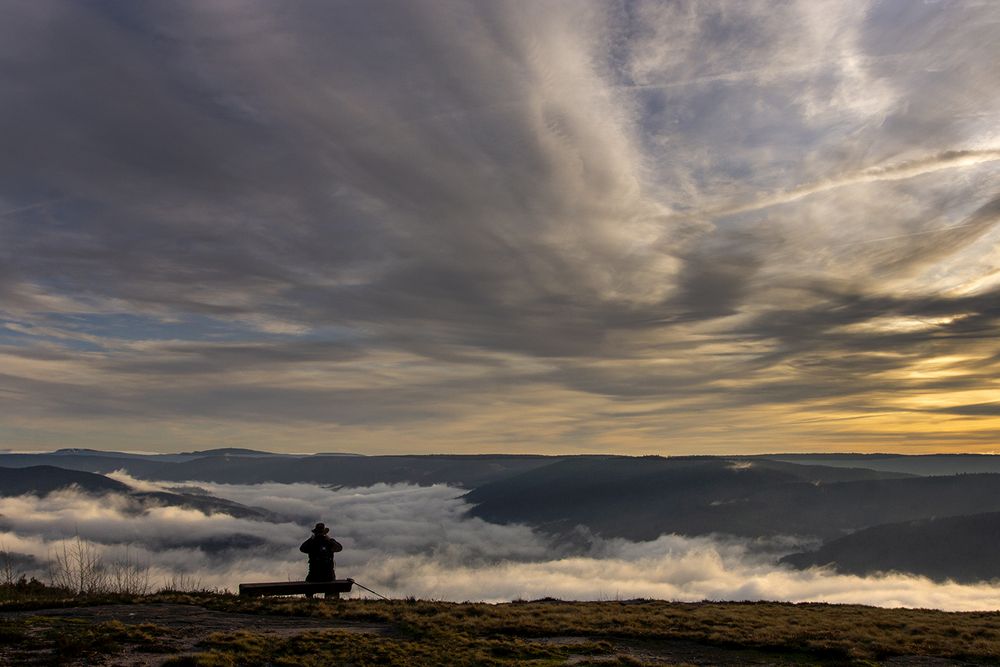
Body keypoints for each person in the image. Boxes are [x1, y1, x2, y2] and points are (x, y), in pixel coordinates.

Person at [299, 522, 343, 597]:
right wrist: (329, 539)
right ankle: (329, 598)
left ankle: (310, 600)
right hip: (328, 576)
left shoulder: (312, 543)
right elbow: (339, 548)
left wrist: (311, 538)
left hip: (314, 576)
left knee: (308, 583)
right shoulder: (329, 543)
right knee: (332, 581)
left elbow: (302, 548)